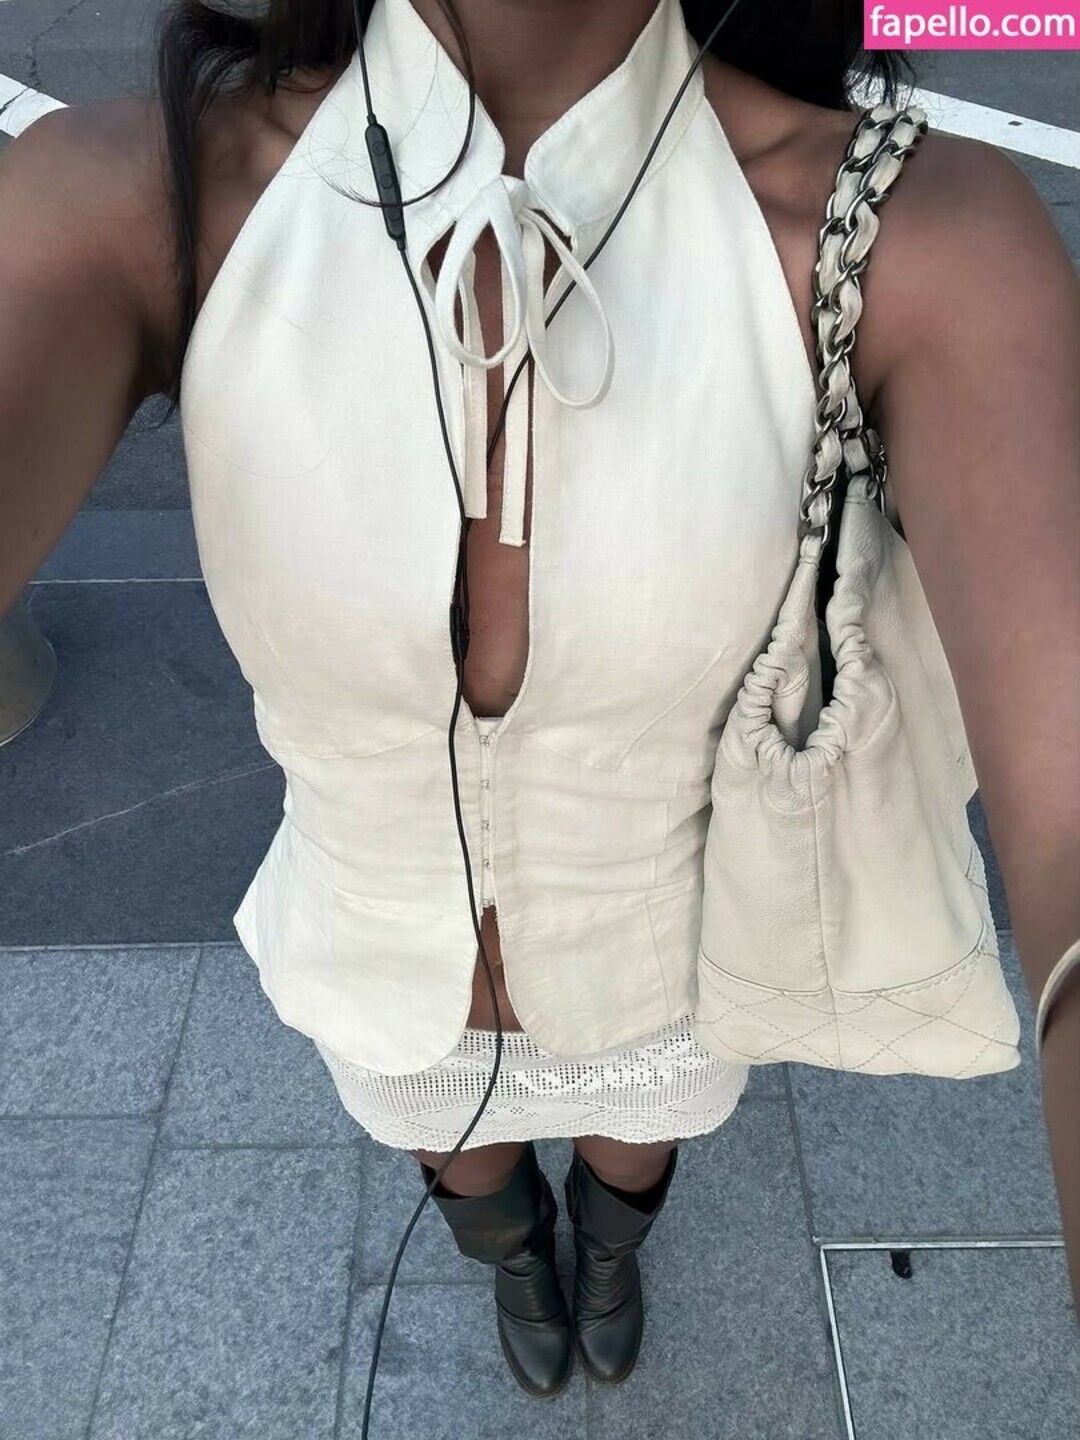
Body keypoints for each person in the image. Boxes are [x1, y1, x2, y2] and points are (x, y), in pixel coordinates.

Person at [2, 0, 1078, 1405]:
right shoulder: (139, 199)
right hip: (374, 976)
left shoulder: (902, 232)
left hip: (668, 996)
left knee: (631, 1168)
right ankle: (519, 1260)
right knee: (466, 1173)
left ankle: (608, 1254)